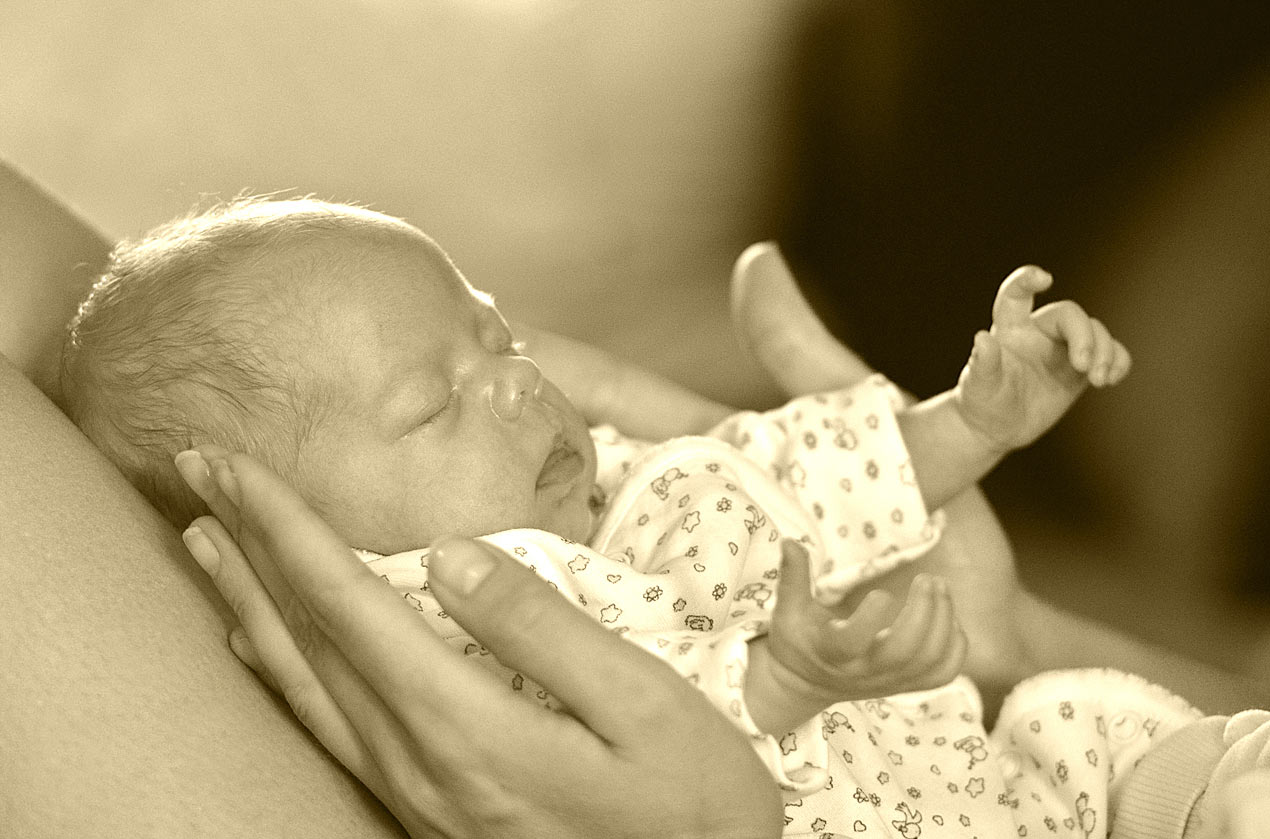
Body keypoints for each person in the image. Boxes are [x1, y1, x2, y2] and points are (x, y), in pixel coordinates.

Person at [1, 161, 1264, 837]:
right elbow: (656, 714)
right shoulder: (447, 616)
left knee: (1122, 734)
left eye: (495, 337)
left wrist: (971, 419)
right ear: (300, 537)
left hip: (1025, 786)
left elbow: (787, 474)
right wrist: (788, 674)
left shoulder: (600, 488)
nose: (514, 383)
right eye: (432, 404)